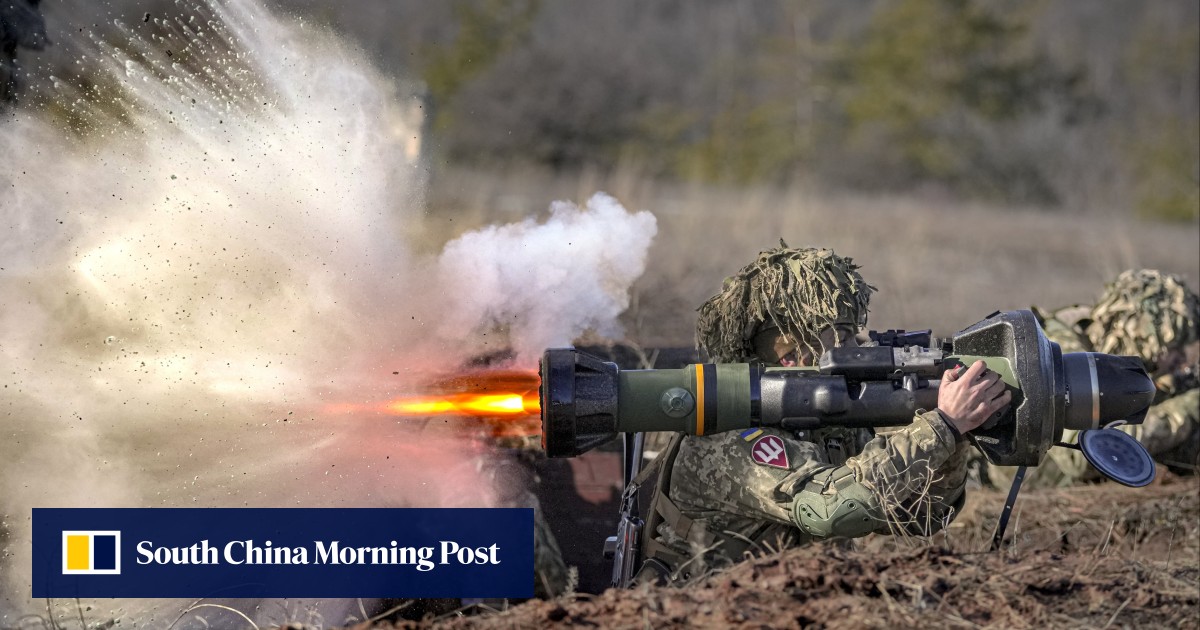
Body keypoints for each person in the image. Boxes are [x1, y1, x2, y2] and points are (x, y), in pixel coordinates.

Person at [634, 245, 1010, 583]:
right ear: (790, 355)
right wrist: (941, 426)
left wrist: (954, 435)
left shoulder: (825, 426)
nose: (855, 349)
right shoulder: (730, 436)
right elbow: (832, 509)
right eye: (840, 338)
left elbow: (921, 516)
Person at [988, 269, 1199, 488]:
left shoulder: (1102, 346)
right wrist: (1185, 410)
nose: (1181, 363)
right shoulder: (1055, 354)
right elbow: (1082, 455)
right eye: (1175, 352)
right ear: (1146, 337)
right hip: (1013, 490)